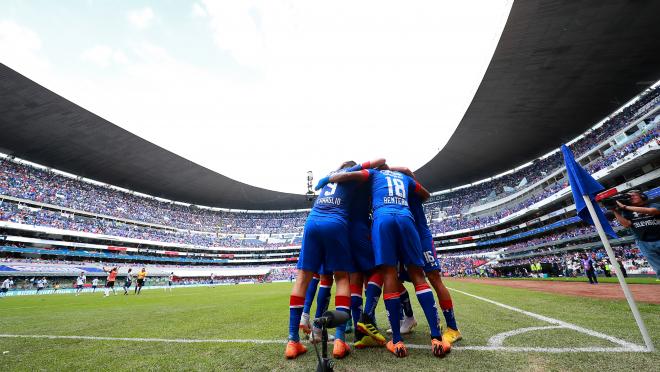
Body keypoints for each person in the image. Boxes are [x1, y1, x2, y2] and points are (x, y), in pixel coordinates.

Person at [330, 166, 451, 358]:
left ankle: (397, 341)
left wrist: (337, 176)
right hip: (406, 218)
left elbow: (348, 177)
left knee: (388, 275)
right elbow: (425, 195)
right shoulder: (404, 178)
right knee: (419, 275)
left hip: (383, 218)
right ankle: (436, 337)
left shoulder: (373, 174)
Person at [284, 159, 382, 360]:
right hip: (335, 223)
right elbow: (378, 162)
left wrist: (329, 175)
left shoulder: (330, 176)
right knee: (342, 279)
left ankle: (292, 341)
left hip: (312, 221)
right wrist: (366, 166)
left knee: (302, 278)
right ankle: (339, 341)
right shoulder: (353, 173)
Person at [612, 190, 660, 280]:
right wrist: (615, 211)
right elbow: (626, 224)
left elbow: (652, 211)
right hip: (643, 242)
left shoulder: (653, 205)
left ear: (642, 196)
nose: (631, 198)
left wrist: (625, 207)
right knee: (659, 268)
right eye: (629, 197)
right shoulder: (627, 211)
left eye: (633, 196)